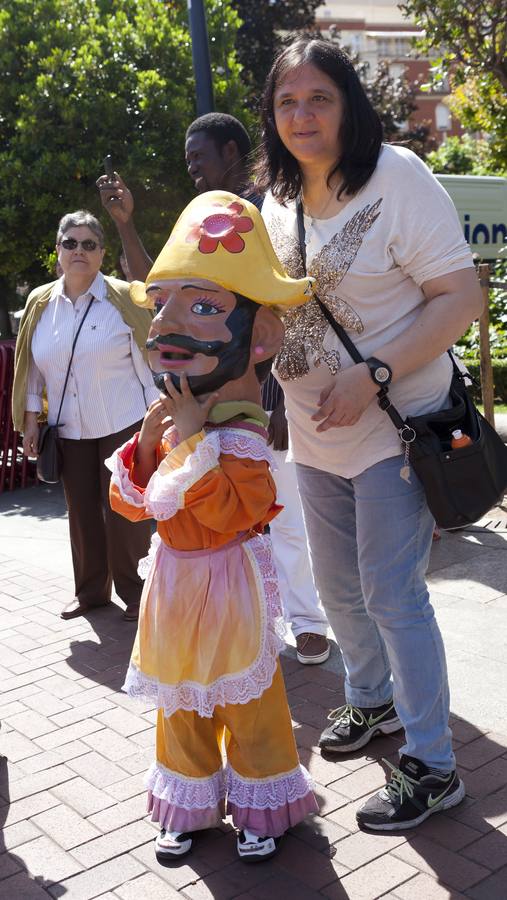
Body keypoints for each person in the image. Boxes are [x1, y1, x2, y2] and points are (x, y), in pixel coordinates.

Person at [257, 36, 483, 830]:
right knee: (339, 590)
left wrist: (373, 372)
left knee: (392, 595)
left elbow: (460, 297)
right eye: (287, 101)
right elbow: (272, 308)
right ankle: (370, 699)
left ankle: (433, 763)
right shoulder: (276, 199)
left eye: (318, 98)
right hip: (314, 438)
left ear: (348, 104)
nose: (302, 114)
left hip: (397, 428)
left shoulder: (396, 177)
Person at [107, 190, 318, 861]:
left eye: (201, 307)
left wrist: (195, 439)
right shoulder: (176, 414)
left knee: (248, 700)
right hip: (172, 581)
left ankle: (262, 806)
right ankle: (190, 804)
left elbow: (238, 511)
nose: (168, 323)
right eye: (161, 303)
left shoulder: (242, 431)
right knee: (180, 700)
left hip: (228, 581)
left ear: (259, 337)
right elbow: (137, 505)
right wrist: (147, 444)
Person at [96, 112, 329, 664]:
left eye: (198, 156)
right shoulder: (197, 223)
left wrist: (271, 398)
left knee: (284, 515)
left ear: (230, 151)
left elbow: (278, 311)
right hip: (202, 405)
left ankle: (308, 621)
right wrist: (126, 223)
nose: (192, 168)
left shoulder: (269, 210)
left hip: (265, 397)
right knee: (209, 514)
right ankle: (224, 632)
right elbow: (152, 291)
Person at [12, 210, 157, 621]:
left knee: (125, 512)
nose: (79, 251)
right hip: (68, 428)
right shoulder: (40, 303)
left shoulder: (125, 298)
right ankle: (91, 592)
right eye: (71, 243)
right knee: (81, 513)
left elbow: (147, 364)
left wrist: (154, 424)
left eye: (89, 244)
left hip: (122, 424)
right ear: (58, 250)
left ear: (101, 252)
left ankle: (137, 591)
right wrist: (29, 421)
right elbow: (33, 369)